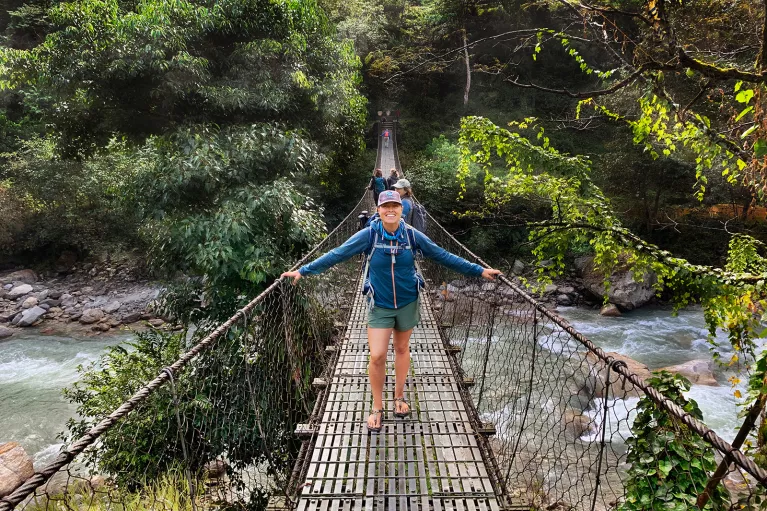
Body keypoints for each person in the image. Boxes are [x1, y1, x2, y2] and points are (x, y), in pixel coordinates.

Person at [281, 190, 502, 432]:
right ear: (378, 210)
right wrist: (304, 270)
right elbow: (337, 254)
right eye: (385, 206)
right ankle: (377, 406)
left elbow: (442, 255)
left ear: (401, 209)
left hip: (408, 300)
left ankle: (398, 397)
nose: (390, 210)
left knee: (401, 348)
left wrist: (478, 270)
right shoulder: (369, 235)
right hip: (380, 304)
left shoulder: (412, 235)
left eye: (394, 206)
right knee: (376, 355)